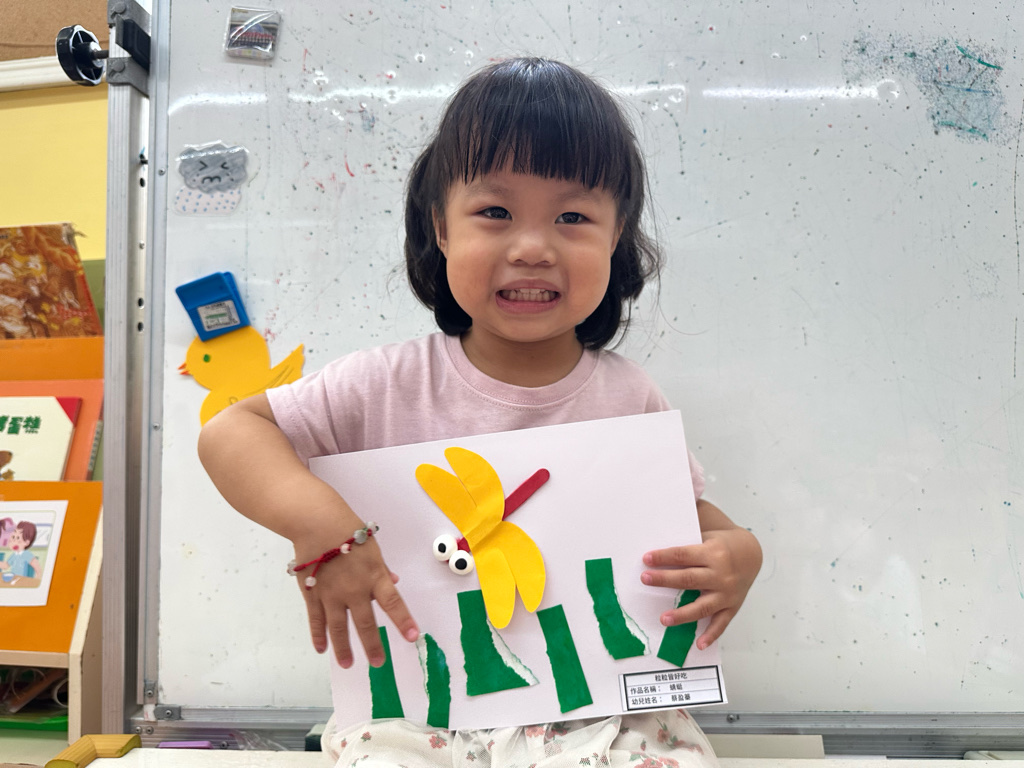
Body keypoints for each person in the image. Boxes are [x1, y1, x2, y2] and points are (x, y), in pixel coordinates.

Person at [199, 57, 762, 768]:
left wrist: (740, 554)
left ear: (617, 235)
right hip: (414, 718)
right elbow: (231, 432)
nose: (532, 248)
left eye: (573, 217)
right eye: (495, 213)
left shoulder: (629, 396)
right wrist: (321, 529)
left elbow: (692, 527)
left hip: (600, 716)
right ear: (440, 227)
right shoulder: (383, 383)